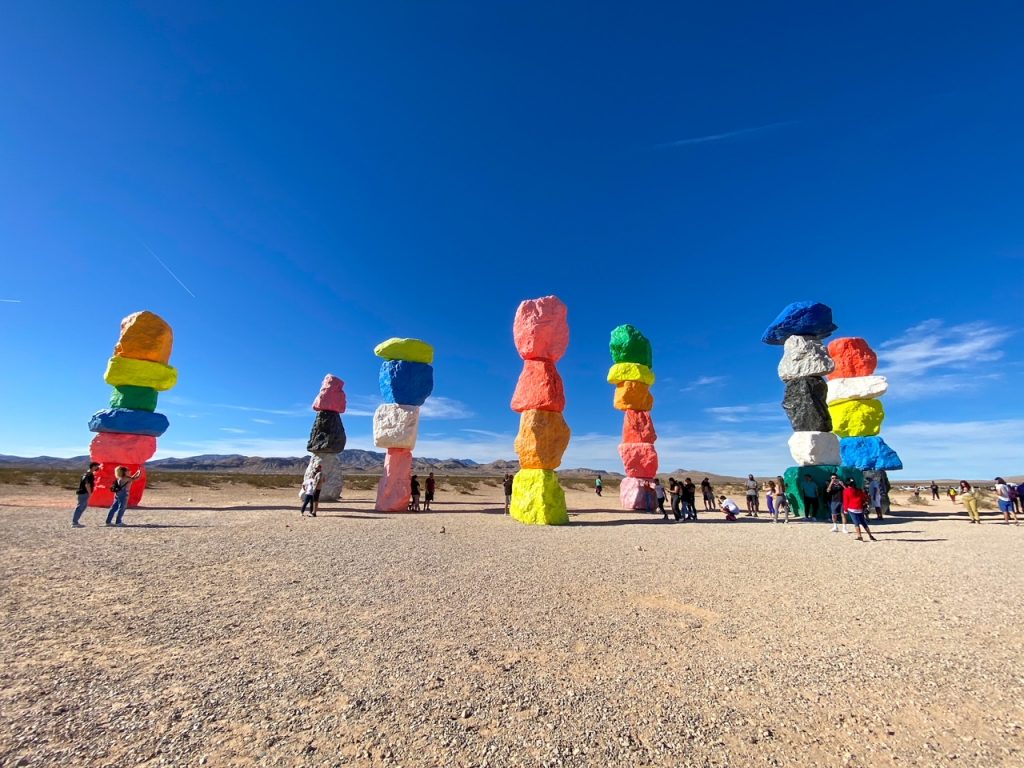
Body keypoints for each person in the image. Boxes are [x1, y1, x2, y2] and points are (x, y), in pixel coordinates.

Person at [843, 477, 878, 541]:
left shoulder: (846, 491)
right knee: (863, 522)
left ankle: (859, 536)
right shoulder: (859, 490)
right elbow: (865, 497)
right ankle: (870, 535)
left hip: (852, 509)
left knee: (856, 523)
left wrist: (845, 510)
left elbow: (846, 501)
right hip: (860, 508)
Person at [72, 461, 100, 527]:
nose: (98, 468)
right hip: (84, 493)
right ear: (93, 466)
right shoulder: (89, 475)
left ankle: (75, 522)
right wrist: (90, 493)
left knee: (82, 506)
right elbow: (87, 484)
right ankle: (74, 522)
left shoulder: (85, 474)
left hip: (82, 493)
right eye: (97, 466)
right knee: (80, 507)